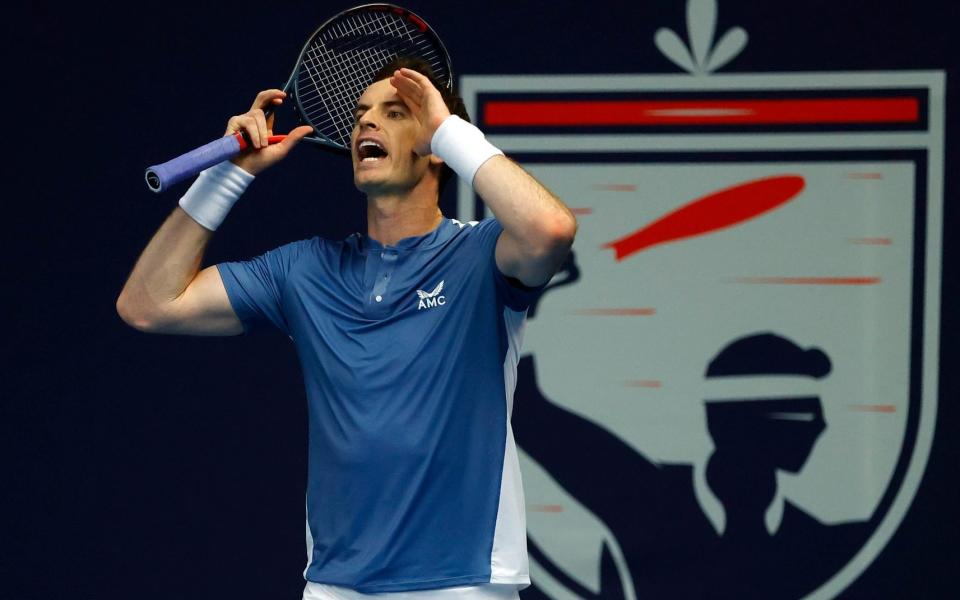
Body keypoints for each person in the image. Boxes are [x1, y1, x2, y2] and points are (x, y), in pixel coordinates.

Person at [116, 56, 577, 600]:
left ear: (435, 146)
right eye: (360, 113)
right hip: (335, 587)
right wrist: (228, 174)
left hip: (464, 584)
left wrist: (450, 129)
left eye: (394, 112)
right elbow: (148, 304)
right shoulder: (304, 270)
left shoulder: (481, 255)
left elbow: (551, 230)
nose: (365, 123)